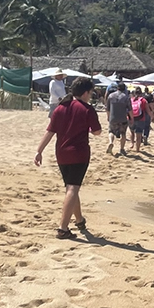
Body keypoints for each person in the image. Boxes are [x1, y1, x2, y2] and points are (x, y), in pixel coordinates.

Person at [34, 78, 103, 239]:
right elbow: (97, 132)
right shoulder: (87, 109)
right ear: (85, 93)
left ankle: (79, 220)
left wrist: (39, 151)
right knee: (73, 188)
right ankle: (63, 228)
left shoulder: (60, 108)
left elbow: (50, 131)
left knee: (71, 187)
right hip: (79, 153)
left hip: (61, 153)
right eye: (91, 93)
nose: (90, 96)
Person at [106, 82, 133, 156]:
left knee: (111, 131)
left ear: (117, 88)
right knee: (123, 134)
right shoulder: (126, 97)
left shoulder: (110, 96)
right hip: (123, 118)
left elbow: (107, 108)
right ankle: (122, 149)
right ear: (124, 89)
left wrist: (108, 117)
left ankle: (111, 142)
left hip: (113, 117)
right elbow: (130, 109)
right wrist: (132, 118)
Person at [130, 88, 151, 152]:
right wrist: (152, 117)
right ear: (141, 93)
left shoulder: (131, 100)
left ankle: (132, 144)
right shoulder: (143, 100)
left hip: (131, 118)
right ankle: (137, 149)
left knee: (132, 132)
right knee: (139, 135)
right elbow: (148, 111)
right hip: (140, 118)